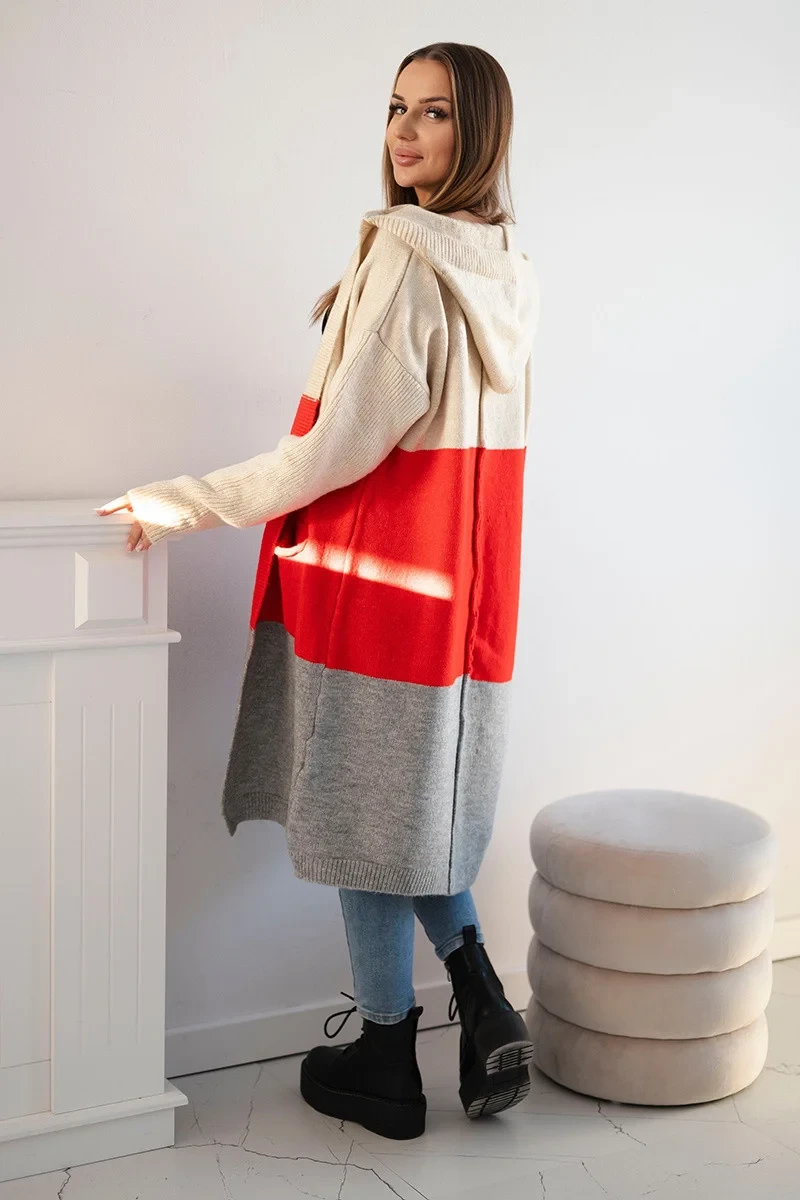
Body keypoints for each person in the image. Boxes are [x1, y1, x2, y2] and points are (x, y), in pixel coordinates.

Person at [96, 42, 540, 1142]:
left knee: (359, 819)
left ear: (478, 131)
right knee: (408, 810)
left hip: (373, 590)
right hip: (462, 598)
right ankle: (482, 999)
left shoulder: (408, 259)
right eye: (396, 107)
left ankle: (386, 1061)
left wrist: (182, 502)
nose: (404, 130)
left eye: (435, 113)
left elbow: (329, 454)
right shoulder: (506, 271)